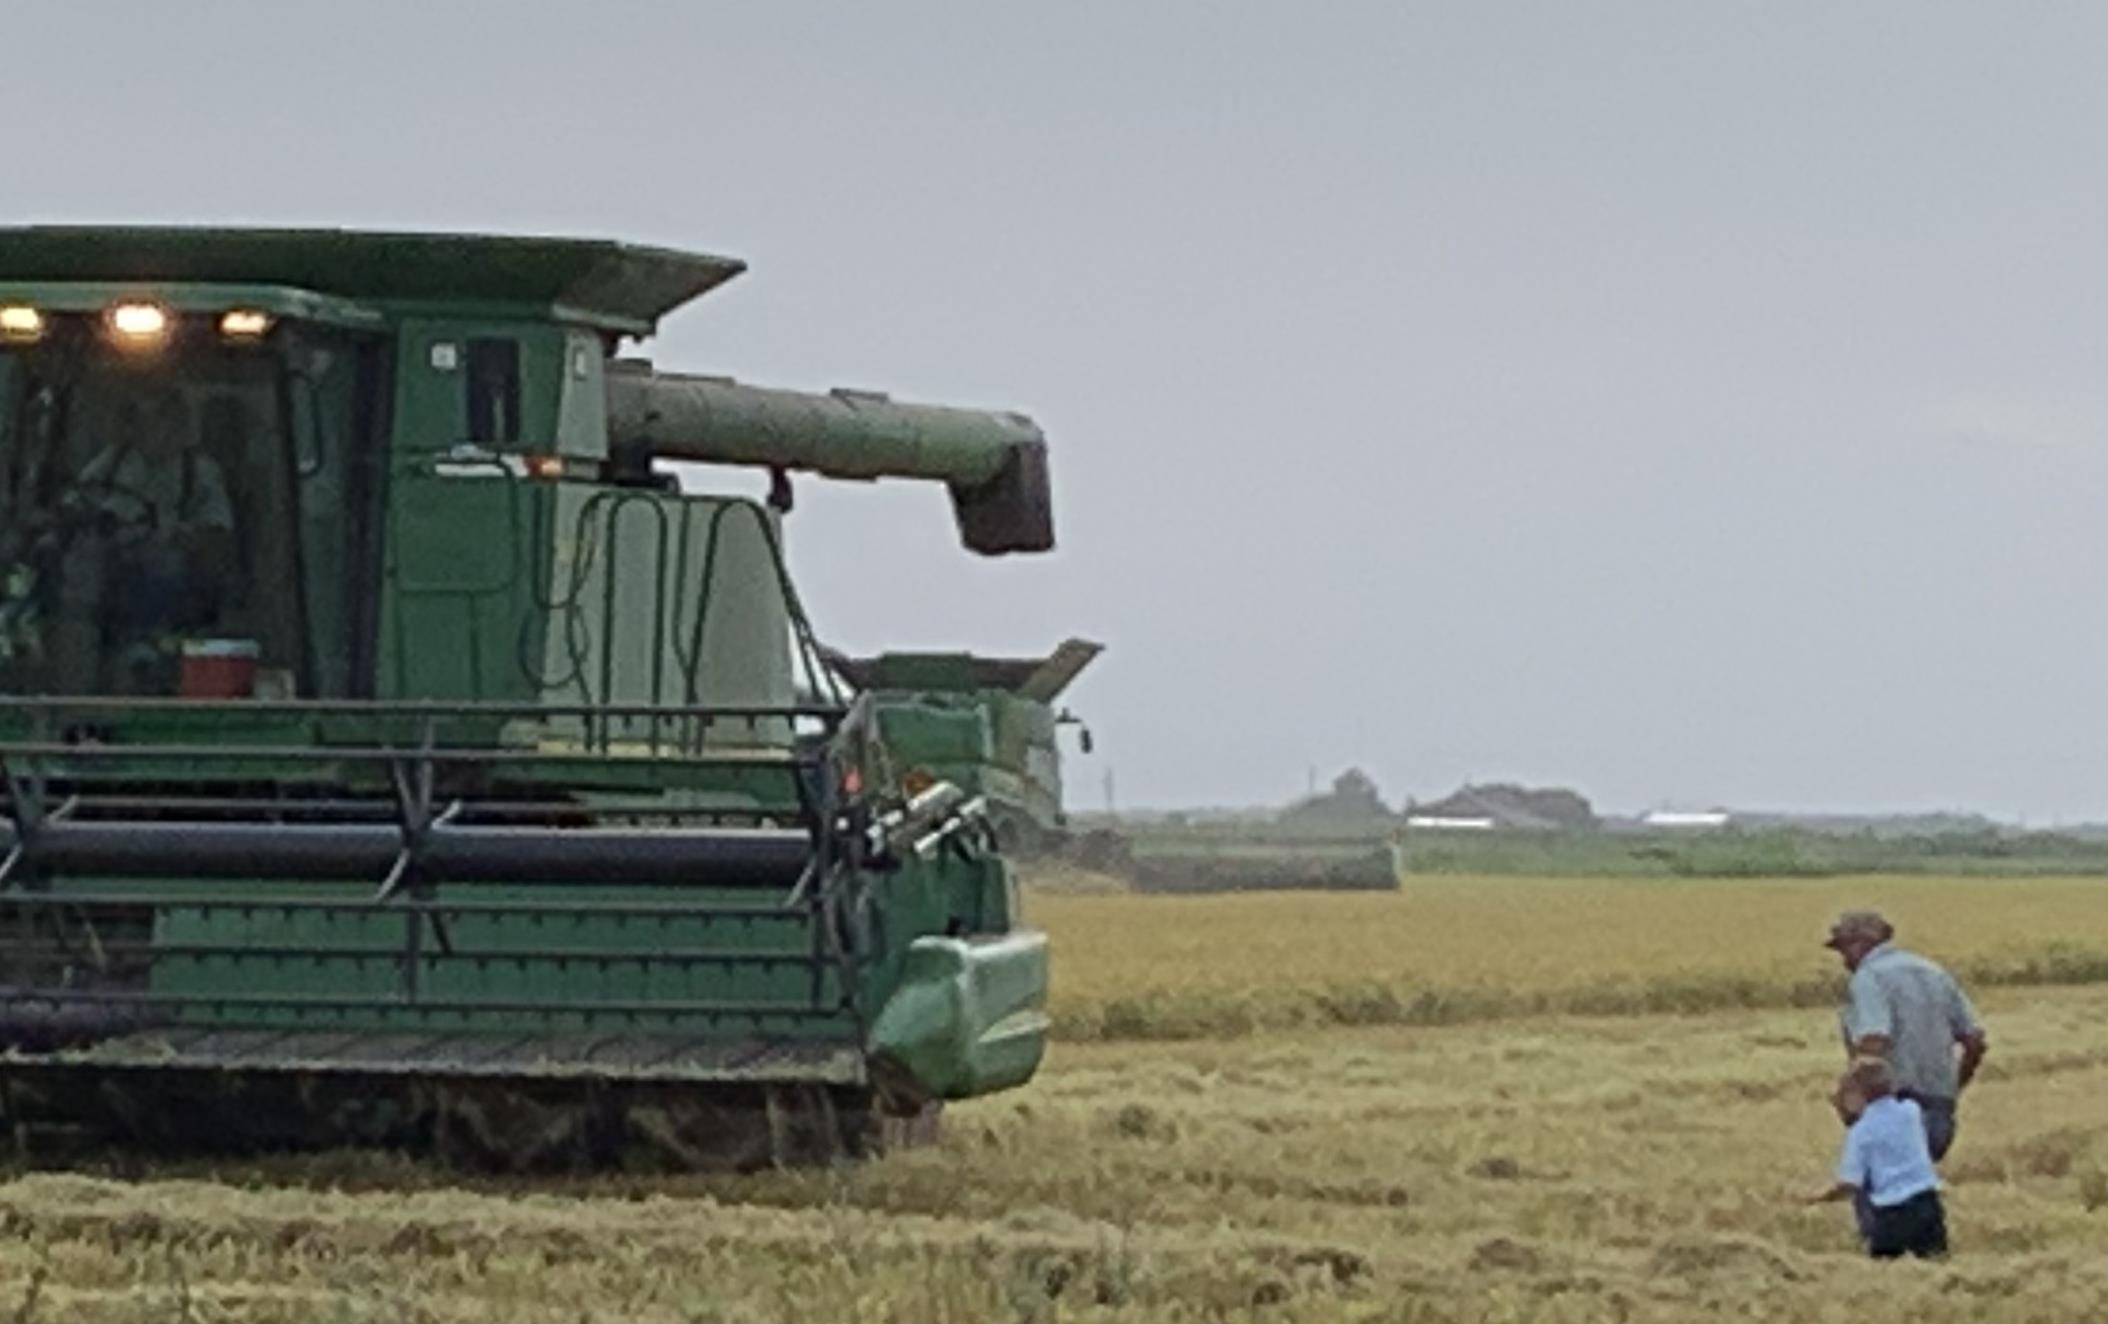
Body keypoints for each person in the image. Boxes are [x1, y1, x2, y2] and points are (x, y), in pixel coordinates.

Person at [1824, 909, 1987, 1161]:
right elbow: (1975, 1040)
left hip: (1893, 1107)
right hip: (1939, 1107)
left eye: (1844, 948)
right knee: (1917, 1187)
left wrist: (1847, 1092)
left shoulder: (1870, 976)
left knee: (1886, 1192)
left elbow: (1874, 1040)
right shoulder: (1934, 972)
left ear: (1861, 944)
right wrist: (1954, 1086)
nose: (1844, 960)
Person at [1807, 1056, 1948, 1259]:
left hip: (1891, 1213)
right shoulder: (1911, 1112)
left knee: (1887, 1274)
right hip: (1927, 1203)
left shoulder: (1861, 1132)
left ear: (1857, 1095)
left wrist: (1817, 1197)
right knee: (1936, 1262)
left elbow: (1849, 1183)